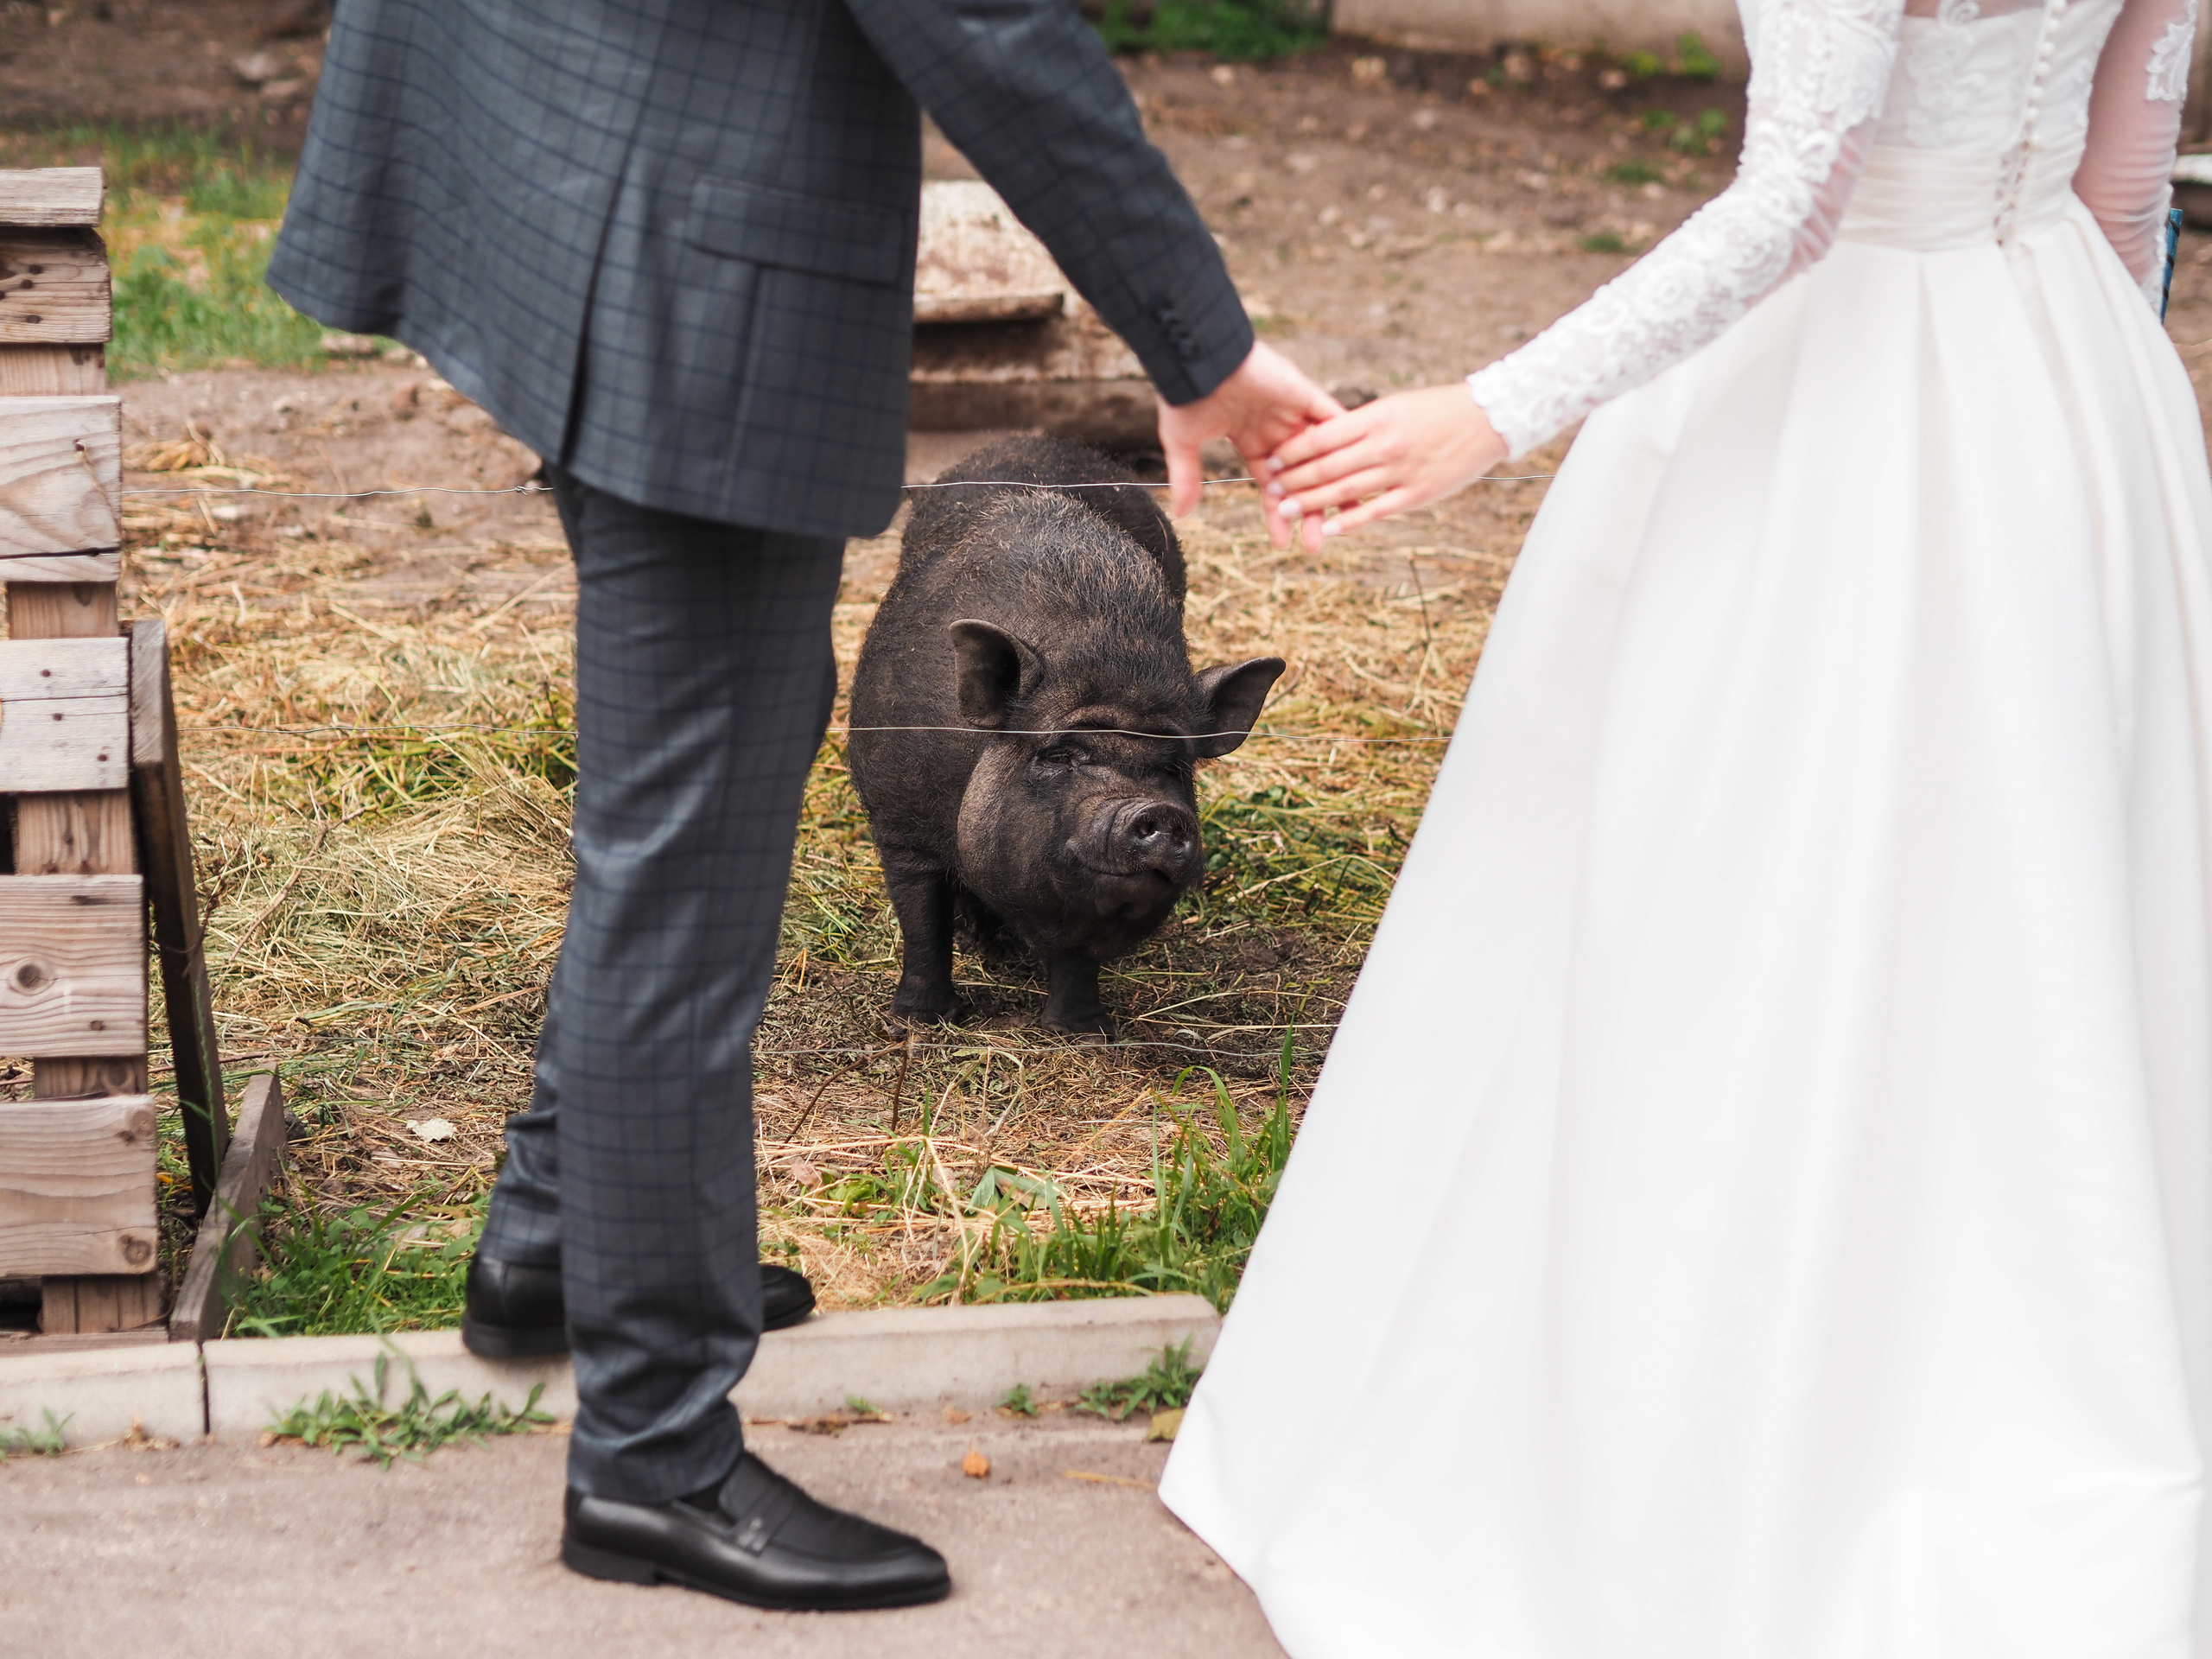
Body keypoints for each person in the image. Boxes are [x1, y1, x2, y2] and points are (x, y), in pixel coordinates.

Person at [1161, 0, 2212, 1651]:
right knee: (2027, 906)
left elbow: (1797, 207)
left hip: (1847, 415)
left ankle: (1725, 1457)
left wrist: (1486, 414)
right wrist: (2111, 448)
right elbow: (2126, 176)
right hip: (2066, 386)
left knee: (1743, 891)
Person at [267, 0, 1337, 1614]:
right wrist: (1202, 345)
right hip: (672, 231)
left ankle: (561, 1235)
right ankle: (655, 1456)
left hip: (561, 128)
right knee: (687, 862)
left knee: (727, 758)